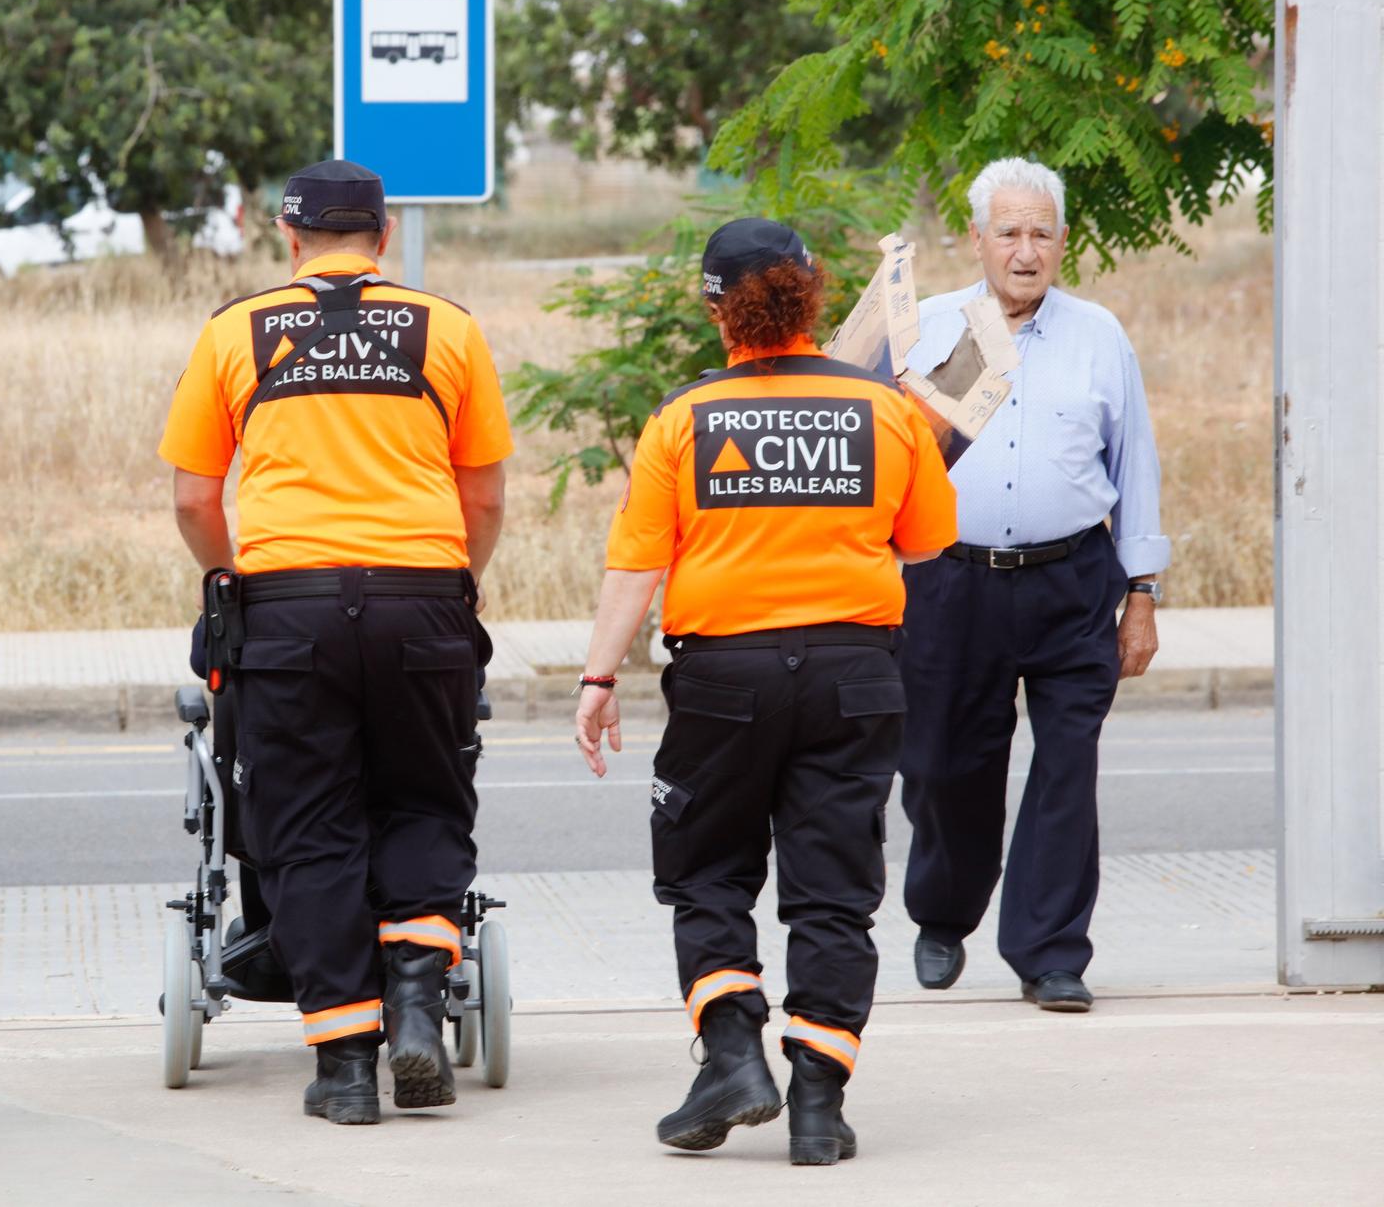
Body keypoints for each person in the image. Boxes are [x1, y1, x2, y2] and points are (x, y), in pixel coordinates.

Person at [573, 218, 956, 1165]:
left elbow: (636, 565)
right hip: (855, 674)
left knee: (707, 870)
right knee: (833, 892)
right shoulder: (886, 406)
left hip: (723, 678)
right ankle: (819, 1107)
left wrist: (598, 675)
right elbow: (927, 543)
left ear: (718, 308)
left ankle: (735, 1054)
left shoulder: (684, 416)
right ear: (814, 296)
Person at [158, 159, 511, 1124]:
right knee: (426, 797)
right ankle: (412, 1001)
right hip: (421, 599)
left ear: (290, 239)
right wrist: (456, 576)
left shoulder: (237, 331)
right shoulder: (450, 328)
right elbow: (482, 491)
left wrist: (231, 575)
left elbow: (194, 495)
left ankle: (346, 1066)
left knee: (308, 825)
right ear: (384, 236)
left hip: (289, 608)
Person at [899, 158, 1169, 1015]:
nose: (1025, 250)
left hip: (1071, 583)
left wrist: (1143, 590)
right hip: (948, 583)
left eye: (1042, 232)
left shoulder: (1098, 334)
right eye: (1008, 232)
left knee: (1066, 767)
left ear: (1061, 241)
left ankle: (1049, 951)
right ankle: (943, 911)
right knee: (944, 766)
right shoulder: (925, 329)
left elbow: (1137, 466)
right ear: (974, 239)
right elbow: (879, 460)